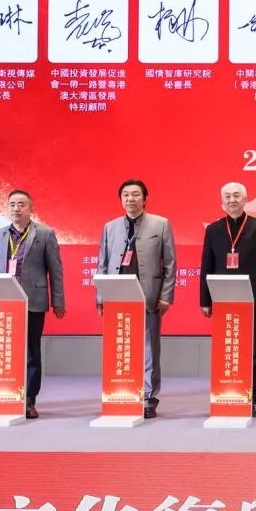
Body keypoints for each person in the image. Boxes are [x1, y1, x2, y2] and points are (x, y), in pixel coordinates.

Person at [0, 190, 66, 419]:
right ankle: (5, 395)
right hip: (3, 303)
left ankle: (29, 399)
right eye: (12, 204)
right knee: (5, 351)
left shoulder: (45, 234)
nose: (16, 209)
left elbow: (55, 271)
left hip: (33, 301)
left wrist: (58, 300)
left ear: (31, 209)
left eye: (21, 204)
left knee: (31, 352)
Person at [97, 179, 176, 419]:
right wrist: (101, 296)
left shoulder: (161, 224)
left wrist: (166, 296)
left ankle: (149, 397)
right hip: (117, 295)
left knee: (150, 347)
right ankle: (122, 390)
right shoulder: (110, 227)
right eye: (126, 195)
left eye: (135, 194)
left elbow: (170, 263)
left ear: (145, 199)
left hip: (148, 294)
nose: (130, 199)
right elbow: (102, 263)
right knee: (119, 344)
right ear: (121, 199)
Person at [200, 182, 256, 418]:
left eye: (237, 196)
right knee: (226, 349)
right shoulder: (213, 230)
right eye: (227, 196)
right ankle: (226, 394)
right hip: (222, 299)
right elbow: (206, 265)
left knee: (252, 350)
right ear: (221, 202)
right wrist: (205, 300)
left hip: (251, 298)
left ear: (245, 200)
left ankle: (253, 399)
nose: (232, 200)